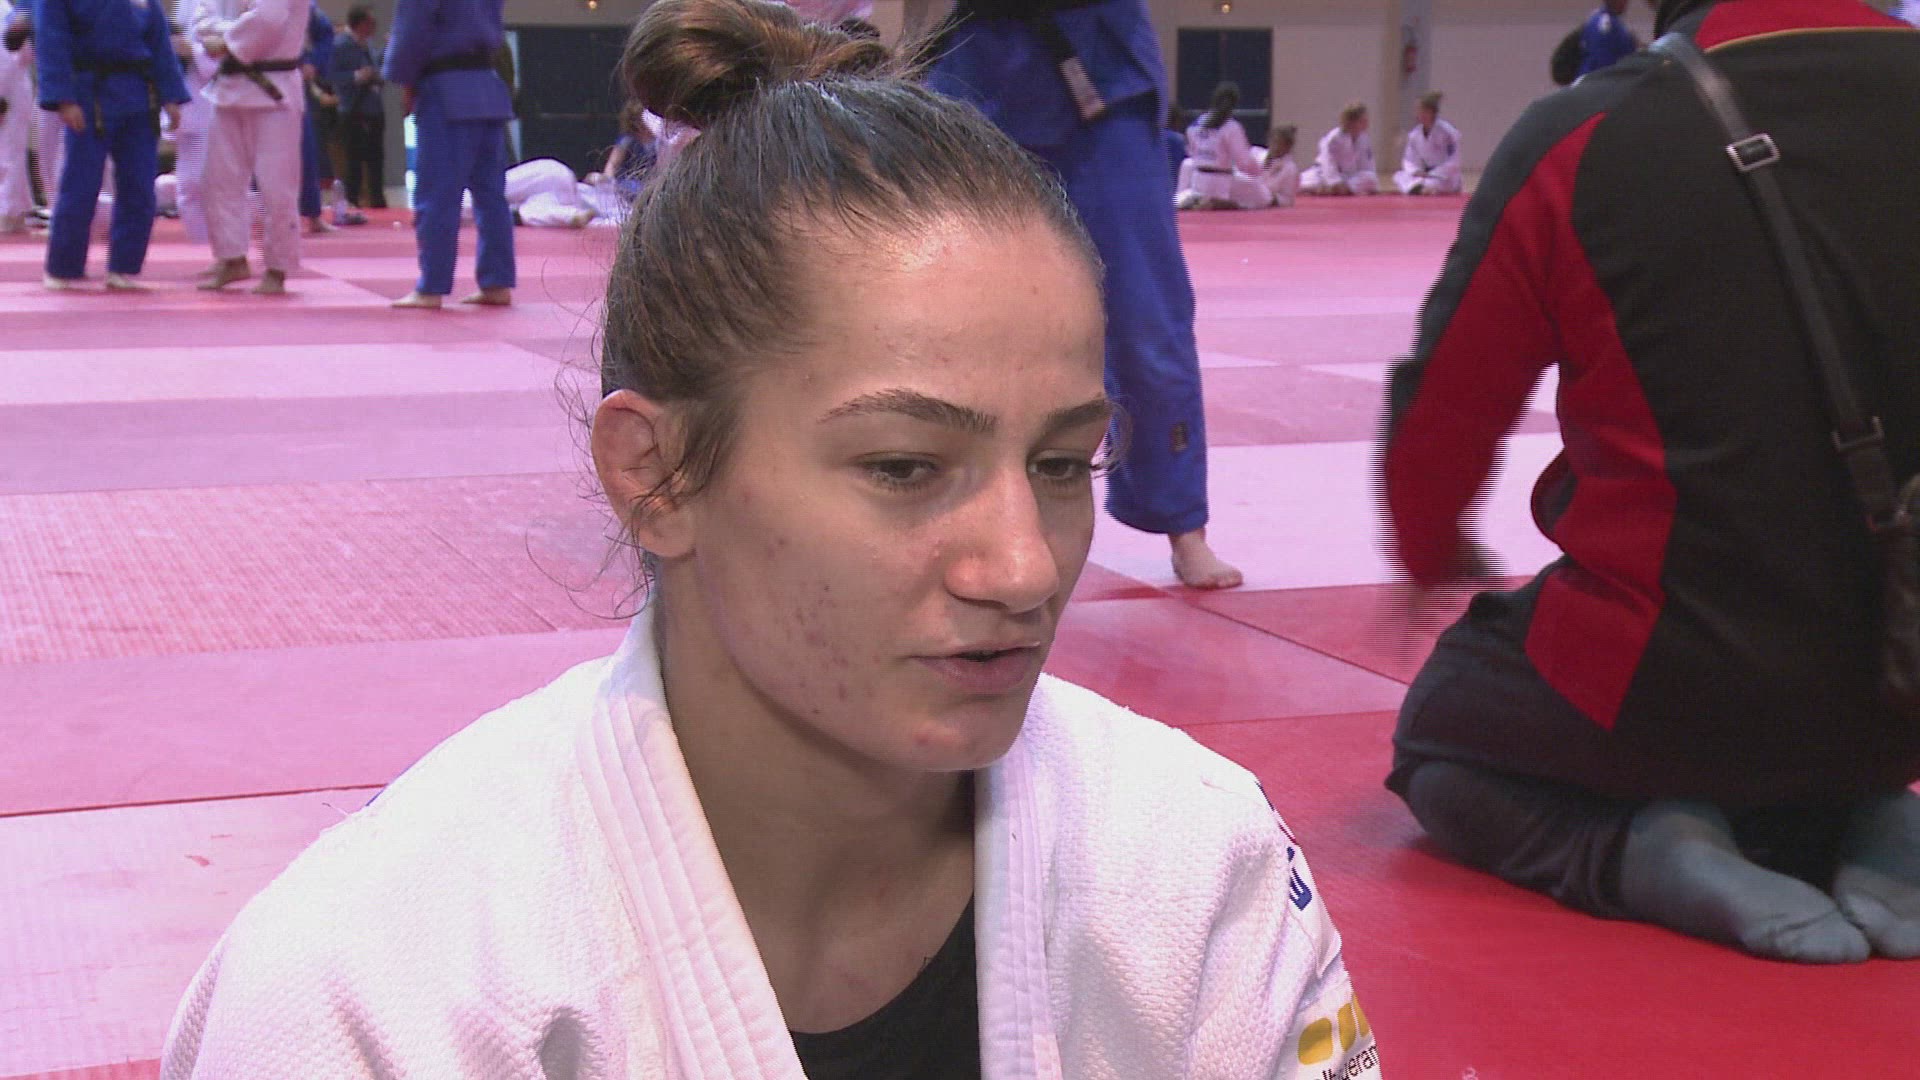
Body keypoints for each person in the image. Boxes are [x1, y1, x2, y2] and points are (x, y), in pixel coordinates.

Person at [158, 2, 1379, 1075]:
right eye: (904, 467)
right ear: (658, 476)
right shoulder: (375, 997)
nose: (1025, 568)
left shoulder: (1192, 863)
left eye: (1062, 465)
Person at [1378, 0, 1920, 965]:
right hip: (1906, 677)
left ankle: (1633, 853)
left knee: (1437, 733)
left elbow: (1444, 410)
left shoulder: (1585, 134)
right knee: (1817, 712)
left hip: (1677, 681)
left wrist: (1427, 549)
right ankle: (1862, 810)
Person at [925, 0, 1243, 589]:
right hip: (975, 66)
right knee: (949, 313)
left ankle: (1183, 522)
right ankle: (940, 512)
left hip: (1098, 68)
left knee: (1145, 315)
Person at [33, 0, 188, 290]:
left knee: (140, 186)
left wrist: (171, 95)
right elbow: (51, 39)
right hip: (90, 92)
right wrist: (63, 97)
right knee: (80, 184)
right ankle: (64, 267)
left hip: (140, 93)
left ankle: (124, 267)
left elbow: (159, 39)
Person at [383, 0, 515, 310]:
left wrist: (402, 77)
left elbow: (412, 29)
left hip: (445, 89)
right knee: (492, 196)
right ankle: (497, 282)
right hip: (487, 87)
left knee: (437, 194)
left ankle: (431, 286)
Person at [192, 0, 312, 296]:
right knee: (218, 180)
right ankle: (231, 257)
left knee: (276, 186)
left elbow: (269, 19)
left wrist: (225, 41)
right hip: (228, 88)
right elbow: (202, 19)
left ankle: (277, 267)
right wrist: (225, 35)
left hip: (275, 90)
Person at [1173, 81, 1263, 211]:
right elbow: (1244, 162)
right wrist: (1259, 172)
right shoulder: (1231, 126)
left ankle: (1197, 201)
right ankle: (1218, 203)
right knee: (1262, 195)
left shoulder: (1195, 124)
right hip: (1222, 182)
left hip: (1198, 178)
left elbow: (1191, 151)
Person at [328, 5, 383, 209]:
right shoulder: (340, 45)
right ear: (360, 24)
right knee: (354, 158)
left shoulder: (368, 44)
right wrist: (356, 76)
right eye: (371, 23)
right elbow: (331, 75)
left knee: (376, 156)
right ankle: (352, 201)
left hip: (374, 106)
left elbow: (376, 66)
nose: (374, 27)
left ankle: (377, 199)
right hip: (353, 108)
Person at [1299, 101, 1377, 196]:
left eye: (1366, 120)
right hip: (1324, 175)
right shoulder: (1335, 137)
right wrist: (1335, 182)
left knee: (1370, 178)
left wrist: (1368, 183)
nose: (1366, 123)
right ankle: (1335, 189)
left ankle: (1340, 189)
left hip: (1348, 178)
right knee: (1303, 182)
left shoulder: (1364, 138)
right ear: (1352, 122)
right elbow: (1328, 162)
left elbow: (1367, 164)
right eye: (1362, 120)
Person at [1393, 90, 1460, 195]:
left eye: (1422, 111)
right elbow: (1409, 159)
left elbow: (1454, 161)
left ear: (1432, 112)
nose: (1419, 114)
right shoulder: (1415, 134)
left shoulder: (1447, 132)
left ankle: (1420, 188)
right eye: (1418, 111)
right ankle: (1421, 189)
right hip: (1425, 174)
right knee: (1399, 176)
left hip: (1443, 176)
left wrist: (1433, 173)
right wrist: (1416, 171)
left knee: (1431, 182)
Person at [0, 0, 29, 232]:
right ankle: (17, 211)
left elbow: (9, 56)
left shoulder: (3, 11)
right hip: (12, 84)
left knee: (9, 152)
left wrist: (2, 97)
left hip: (10, 87)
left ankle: (8, 212)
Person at [1577, 0, 1639, 78]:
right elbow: (1602, 60)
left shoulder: (1599, 17)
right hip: (1598, 79)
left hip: (1594, 77)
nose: (1626, 3)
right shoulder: (1606, 25)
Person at [1260, 122, 1299, 208]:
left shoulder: (1290, 169)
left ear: (1288, 147)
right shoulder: (1257, 154)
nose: (1275, 147)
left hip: (1268, 199)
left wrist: (1271, 198)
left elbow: (1288, 200)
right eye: (1274, 142)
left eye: (1279, 144)